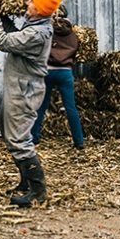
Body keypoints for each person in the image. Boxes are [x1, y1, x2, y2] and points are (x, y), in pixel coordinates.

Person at [0, 0, 62, 208]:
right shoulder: (34, 25)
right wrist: (3, 17)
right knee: (11, 135)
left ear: (40, 9)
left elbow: (2, 42)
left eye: (32, 2)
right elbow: (11, 35)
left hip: (24, 91)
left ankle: (38, 191)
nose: (27, 3)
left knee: (18, 139)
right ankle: (26, 182)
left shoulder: (37, 34)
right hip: (20, 87)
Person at [32, 13, 86, 150]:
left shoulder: (48, 31)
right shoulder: (73, 35)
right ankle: (79, 141)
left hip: (48, 71)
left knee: (42, 105)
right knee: (70, 107)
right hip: (65, 72)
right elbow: (77, 53)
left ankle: (34, 138)